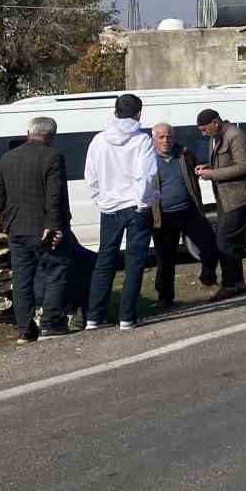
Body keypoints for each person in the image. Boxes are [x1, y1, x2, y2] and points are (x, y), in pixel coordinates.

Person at [0, 116, 75, 342]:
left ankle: (25, 329)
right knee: (55, 272)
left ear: (29, 132)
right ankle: (50, 323)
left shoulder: (7, 157)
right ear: (51, 135)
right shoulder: (52, 156)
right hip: (45, 229)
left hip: (17, 230)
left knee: (21, 279)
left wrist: (6, 222)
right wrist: (54, 226)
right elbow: (54, 194)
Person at [84, 93, 157, 331]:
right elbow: (146, 175)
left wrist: (101, 200)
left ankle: (94, 317)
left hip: (109, 208)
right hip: (136, 207)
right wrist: (143, 202)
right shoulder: (142, 140)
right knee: (134, 262)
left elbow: (91, 176)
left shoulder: (98, 140)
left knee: (104, 261)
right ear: (139, 114)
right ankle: (127, 316)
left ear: (115, 112)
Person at [150, 122, 220, 309]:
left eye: (169, 136)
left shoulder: (184, 154)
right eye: (162, 137)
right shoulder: (146, 159)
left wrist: (203, 169)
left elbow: (197, 168)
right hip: (163, 216)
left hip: (189, 210)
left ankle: (208, 276)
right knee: (165, 259)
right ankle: (165, 298)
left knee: (210, 244)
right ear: (154, 139)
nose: (166, 140)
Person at [196, 108, 246, 302]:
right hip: (225, 197)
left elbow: (244, 166)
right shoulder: (217, 137)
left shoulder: (235, 136)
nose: (203, 134)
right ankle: (238, 283)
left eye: (205, 129)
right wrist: (209, 167)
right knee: (232, 241)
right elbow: (225, 164)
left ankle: (229, 285)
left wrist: (212, 174)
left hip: (239, 196)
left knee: (224, 241)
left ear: (216, 122)